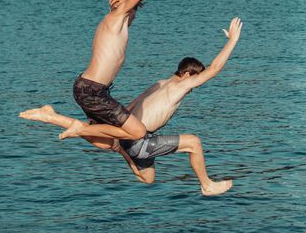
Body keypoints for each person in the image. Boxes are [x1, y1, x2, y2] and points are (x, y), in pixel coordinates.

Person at [21, 17, 242, 196]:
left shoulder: (159, 83)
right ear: (186, 75)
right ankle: (206, 185)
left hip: (131, 137)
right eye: (195, 80)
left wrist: (116, 133)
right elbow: (214, 69)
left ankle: (52, 117)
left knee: (148, 178)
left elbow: (131, 106)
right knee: (194, 143)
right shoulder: (180, 86)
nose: (195, 86)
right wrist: (232, 40)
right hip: (140, 141)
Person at [56, 0, 150, 143]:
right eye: (134, 8)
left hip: (93, 89)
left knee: (108, 143)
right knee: (138, 132)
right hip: (91, 90)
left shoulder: (117, 21)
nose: (135, 14)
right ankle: (80, 128)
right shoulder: (117, 15)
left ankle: (51, 116)